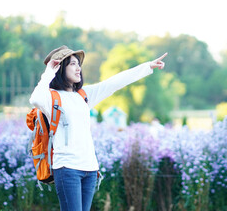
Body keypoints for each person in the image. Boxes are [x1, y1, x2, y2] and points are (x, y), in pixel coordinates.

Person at [29, 45, 167, 211]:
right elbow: (35, 98)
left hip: (90, 169)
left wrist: (147, 66)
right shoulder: (51, 98)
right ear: (59, 68)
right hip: (67, 169)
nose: (78, 68)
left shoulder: (83, 95)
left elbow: (113, 83)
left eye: (78, 64)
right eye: (72, 64)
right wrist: (48, 72)